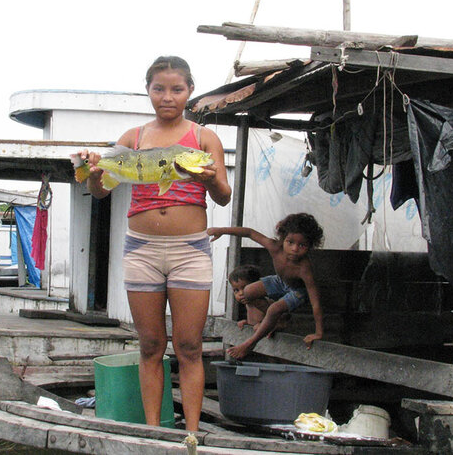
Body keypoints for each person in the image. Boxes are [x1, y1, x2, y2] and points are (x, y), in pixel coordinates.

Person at [76, 56, 231, 432]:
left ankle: (192, 435)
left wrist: (208, 178)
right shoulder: (133, 138)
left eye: (176, 89)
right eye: (159, 89)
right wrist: (93, 172)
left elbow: (224, 196)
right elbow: (100, 191)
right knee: (149, 346)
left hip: (189, 251)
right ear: (147, 90)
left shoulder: (204, 139)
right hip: (142, 250)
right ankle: (154, 431)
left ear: (190, 91)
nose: (167, 97)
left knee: (190, 347)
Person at [207, 213, 324, 359]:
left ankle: (251, 343)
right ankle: (276, 320)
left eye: (302, 245)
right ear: (282, 239)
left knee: (275, 309)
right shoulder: (275, 247)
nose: (294, 249)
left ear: (310, 245)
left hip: (298, 291)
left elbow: (315, 303)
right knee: (247, 292)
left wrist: (318, 332)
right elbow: (249, 233)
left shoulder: (304, 268)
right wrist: (222, 230)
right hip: (280, 281)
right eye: (290, 242)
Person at [228, 264, 271, 330]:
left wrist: (263, 325)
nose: (241, 293)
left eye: (245, 288)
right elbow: (255, 320)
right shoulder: (249, 304)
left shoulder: (262, 302)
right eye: (236, 290)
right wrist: (248, 323)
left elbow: (279, 320)